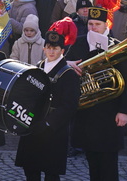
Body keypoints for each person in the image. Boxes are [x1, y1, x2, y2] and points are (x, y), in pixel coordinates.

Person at [66, 0, 127, 181]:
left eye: (97, 24)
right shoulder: (78, 43)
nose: (93, 28)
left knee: (109, 161)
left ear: (106, 25)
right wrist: (68, 65)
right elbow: (64, 69)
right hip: (86, 112)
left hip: (110, 112)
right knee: (92, 160)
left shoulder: (117, 47)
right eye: (90, 24)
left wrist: (124, 111)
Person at [15, 18, 80, 181]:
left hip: (53, 130)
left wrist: (49, 123)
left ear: (62, 50)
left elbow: (70, 106)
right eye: (49, 48)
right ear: (44, 48)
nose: (51, 52)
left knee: (51, 173)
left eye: (55, 48)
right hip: (33, 125)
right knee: (31, 170)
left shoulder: (69, 74)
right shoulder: (37, 67)